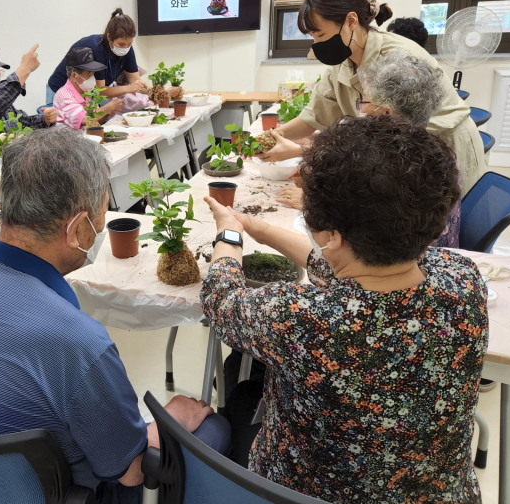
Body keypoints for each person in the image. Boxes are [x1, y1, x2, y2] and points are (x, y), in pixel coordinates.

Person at [0, 129, 230, 503]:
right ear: (77, 228)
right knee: (214, 431)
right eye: (100, 216)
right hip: (55, 493)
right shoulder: (79, 340)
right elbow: (129, 472)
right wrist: (174, 417)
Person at [202, 115, 487, 503]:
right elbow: (340, 266)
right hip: (438, 495)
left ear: (331, 234)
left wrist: (228, 234)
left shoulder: (300, 317)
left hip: (308, 493)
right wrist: (258, 228)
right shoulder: (463, 279)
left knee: (239, 395)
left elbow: (222, 303)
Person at [256, 0, 486, 196]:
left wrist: (303, 152)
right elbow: (314, 116)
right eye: (312, 37)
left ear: (351, 21)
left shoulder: (396, 60)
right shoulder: (344, 60)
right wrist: (270, 139)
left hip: (440, 150)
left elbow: (389, 142)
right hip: (400, 157)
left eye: (320, 34)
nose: (316, 45)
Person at [276, 51, 461, 247]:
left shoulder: (390, 168)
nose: (361, 110)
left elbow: (362, 229)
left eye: (364, 102)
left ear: (386, 113)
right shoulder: (434, 153)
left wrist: (313, 201)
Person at [46, 8, 147, 108]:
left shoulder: (127, 48)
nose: (125, 48)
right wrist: (129, 88)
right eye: (121, 44)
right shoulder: (96, 49)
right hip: (62, 91)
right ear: (109, 37)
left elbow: (135, 81)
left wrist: (152, 91)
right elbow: (100, 90)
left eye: (129, 44)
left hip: (87, 94)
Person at [53, 47, 113, 129]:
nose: (93, 78)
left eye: (93, 74)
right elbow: (84, 119)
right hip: (67, 140)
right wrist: (107, 108)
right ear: (74, 76)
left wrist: (107, 113)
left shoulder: (85, 93)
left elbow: (95, 121)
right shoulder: (64, 96)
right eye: (89, 74)